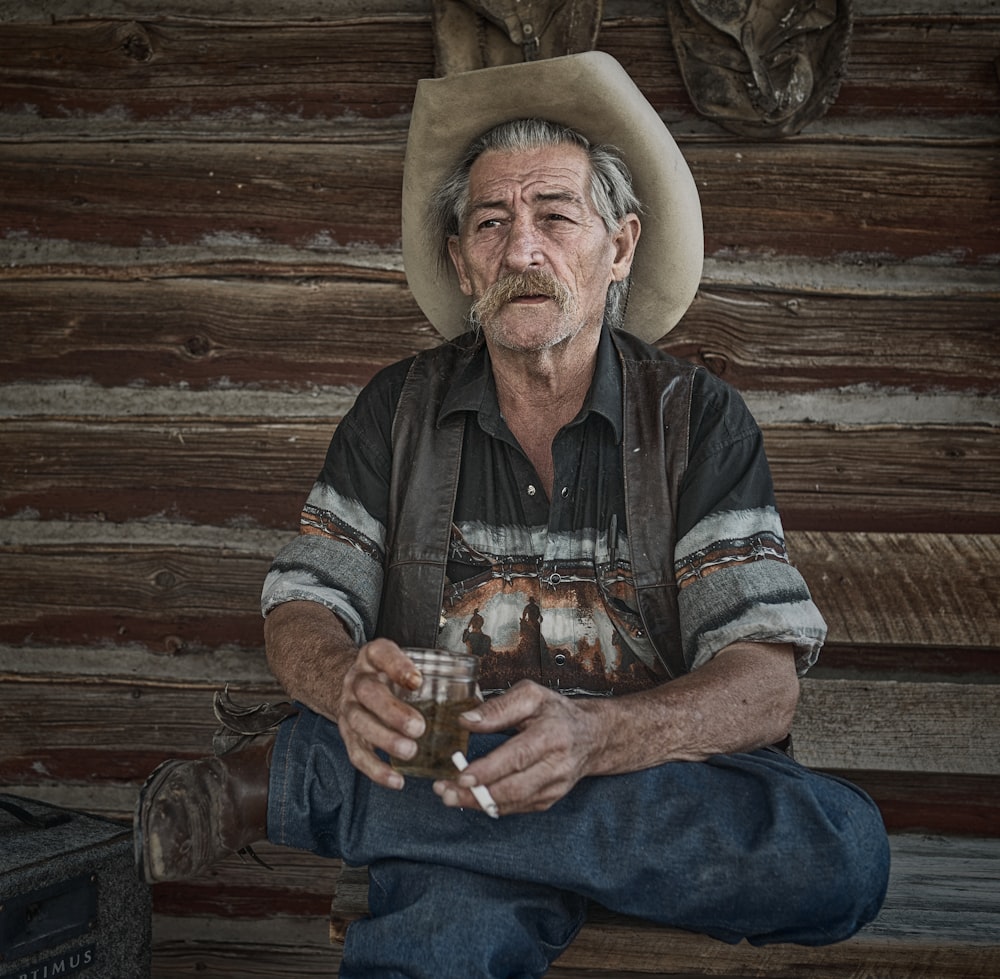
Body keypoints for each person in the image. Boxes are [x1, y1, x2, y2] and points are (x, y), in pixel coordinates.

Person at [135, 51, 890, 978]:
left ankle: (293, 784)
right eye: (490, 223)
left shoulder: (695, 419)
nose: (521, 250)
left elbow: (765, 683)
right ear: (460, 262)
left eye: (555, 216)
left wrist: (595, 739)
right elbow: (302, 607)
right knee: (438, 943)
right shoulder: (399, 410)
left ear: (619, 247)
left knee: (841, 852)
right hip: (455, 766)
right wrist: (339, 683)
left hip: (641, 775)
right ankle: (479, 832)